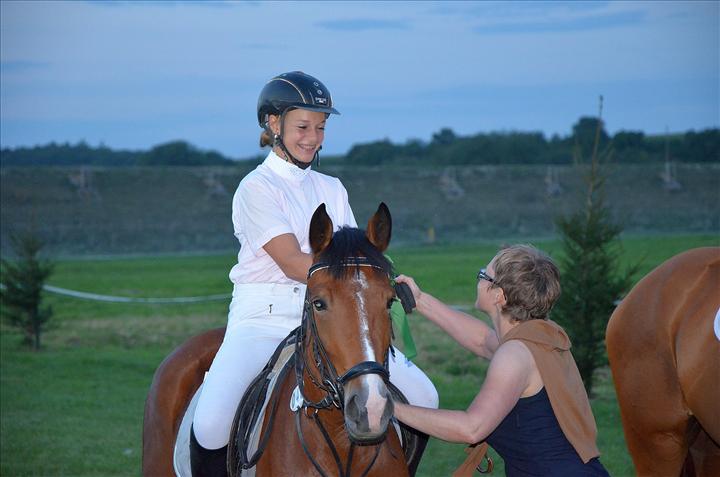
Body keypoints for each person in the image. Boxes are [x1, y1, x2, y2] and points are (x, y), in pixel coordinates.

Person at [190, 71, 438, 476]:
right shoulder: (256, 188)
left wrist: (380, 283)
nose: (313, 138)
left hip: (335, 318)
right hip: (264, 320)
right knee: (210, 422)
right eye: (303, 127)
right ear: (274, 123)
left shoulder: (332, 188)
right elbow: (291, 261)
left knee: (425, 396)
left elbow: (355, 261)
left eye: (321, 127)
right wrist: (354, 279)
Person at [394, 245, 609, 476]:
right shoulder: (542, 336)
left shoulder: (515, 355)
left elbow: (471, 428)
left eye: (483, 275)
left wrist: (390, 407)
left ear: (499, 296)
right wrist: (419, 300)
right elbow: (481, 340)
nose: (479, 278)